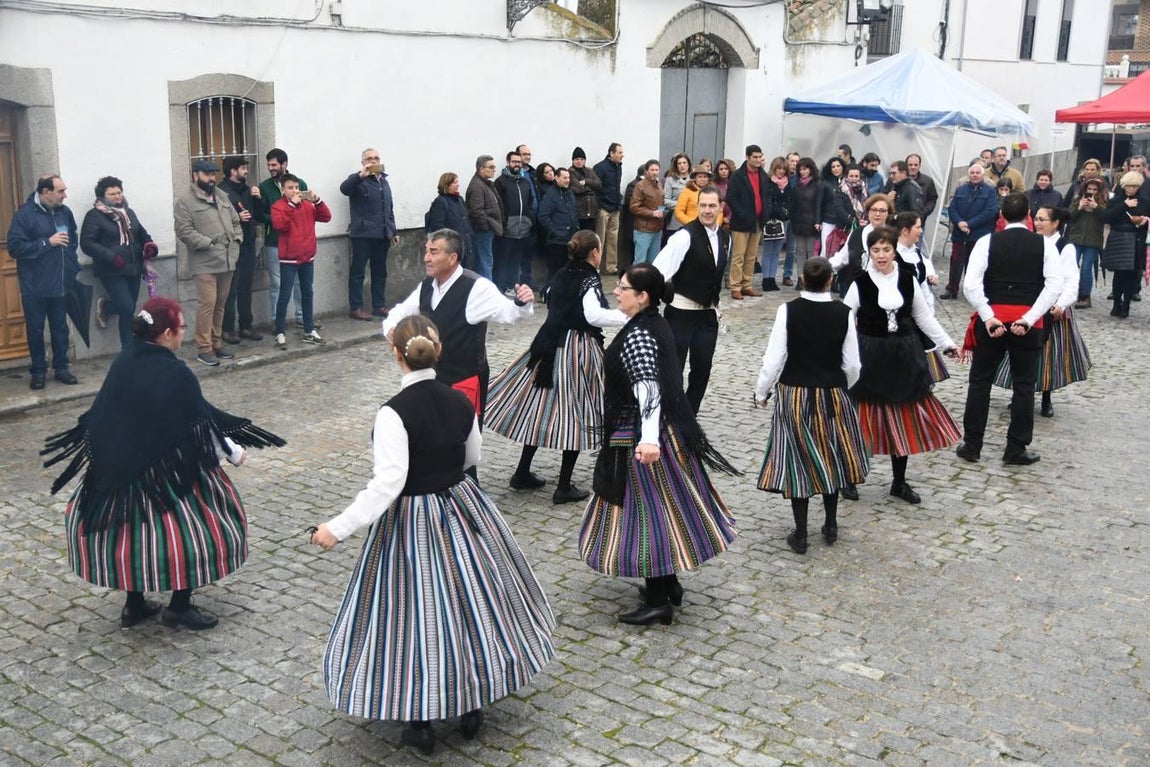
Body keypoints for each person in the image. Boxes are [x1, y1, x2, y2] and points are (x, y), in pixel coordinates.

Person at [309, 315, 554, 756]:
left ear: (395, 353)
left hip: (412, 521)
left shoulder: (393, 413)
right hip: (459, 507)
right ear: (438, 352)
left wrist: (336, 527)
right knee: (470, 604)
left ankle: (420, 723)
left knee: (413, 612)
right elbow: (471, 456)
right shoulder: (461, 401)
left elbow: (388, 482)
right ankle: (472, 703)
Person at [44, 296, 284, 631]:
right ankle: (179, 607)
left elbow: (104, 414)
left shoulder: (125, 359)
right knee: (190, 533)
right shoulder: (175, 372)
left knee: (131, 534)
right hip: (166, 470)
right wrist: (233, 453)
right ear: (168, 333)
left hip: (121, 467)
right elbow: (201, 420)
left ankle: (135, 603)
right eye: (182, 326)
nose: (184, 332)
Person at [579, 264, 738, 626]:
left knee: (646, 513)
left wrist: (648, 441)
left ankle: (657, 601)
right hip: (661, 431)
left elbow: (647, 386)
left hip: (644, 436)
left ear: (643, 296)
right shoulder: (652, 323)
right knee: (663, 507)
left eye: (622, 288)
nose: (616, 292)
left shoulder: (639, 335)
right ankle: (668, 584)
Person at [486, 230, 626, 503]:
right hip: (575, 349)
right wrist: (626, 316)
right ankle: (563, 486)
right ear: (595, 253)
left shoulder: (561, 273)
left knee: (540, 409)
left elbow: (549, 297)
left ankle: (522, 472)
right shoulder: (588, 278)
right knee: (575, 411)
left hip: (547, 344)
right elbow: (593, 314)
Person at [754, 257, 867, 553]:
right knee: (832, 456)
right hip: (832, 392)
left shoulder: (787, 310)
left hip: (795, 391)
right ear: (830, 280)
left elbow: (774, 358)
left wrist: (761, 392)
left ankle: (801, 534)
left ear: (803, 278)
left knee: (797, 460)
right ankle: (830, 524)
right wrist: (844, 387)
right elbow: (852, 363)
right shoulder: (843, 312)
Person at [844, 226, 961, 504]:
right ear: (869, 252)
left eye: (886, 249)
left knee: (902, 418)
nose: (881, 255)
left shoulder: (907, 279)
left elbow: (924, 317)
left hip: (904, 356)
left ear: (894, 250)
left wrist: (947, 343)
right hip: (871, 356)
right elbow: (844, 320)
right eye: (875, 250)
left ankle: (898, 482)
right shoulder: (859, 283)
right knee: (864, 418)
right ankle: (849, 477)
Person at [382, 228, 534, 424]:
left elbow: (509, 312)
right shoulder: (427, 285)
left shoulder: (477, 288)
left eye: (434, 252)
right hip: (431, 378)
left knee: (463, 440)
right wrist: (391, 328)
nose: (426, 258)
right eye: (426, 251)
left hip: (464, 380)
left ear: (452, 258)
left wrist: (522, 303)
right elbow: (400, 311)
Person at [957, 192, 1062, 465]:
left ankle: (972, 445)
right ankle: (1015, 448)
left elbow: (970, 284)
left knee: (980, 382)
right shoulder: (1045, 246)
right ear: (1028, 214)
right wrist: (1029, 318)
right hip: (1027, 321)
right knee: (1024, 385)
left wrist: (988, 315)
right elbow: (1054, 287)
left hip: (993, 319)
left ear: (1001, 215)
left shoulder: (986, 242)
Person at [991, 206, 1090, 418]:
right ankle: (1019, 393)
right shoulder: (1032, 243)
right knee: (1019, 350)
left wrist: (1061, 304)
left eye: (1042, 219)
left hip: (1053, 309)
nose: (1037, 223)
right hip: (1029, 304)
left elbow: (1071, 280)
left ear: (1055, 223)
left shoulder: (1065, 247)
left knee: (1048, 355)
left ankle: (1046, 397)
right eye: (1036, 219)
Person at [654, 187, 730, 414]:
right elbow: (659, 271)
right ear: (697, 206)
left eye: (712, 206)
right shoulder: (684, 236)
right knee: (673, 369)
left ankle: (689, 414)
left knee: (702, 368)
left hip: (708, 314)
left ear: (721, 207)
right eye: (703, 205)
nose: (707, 211)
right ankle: (670, 414)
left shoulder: (725, 238)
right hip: (681, 313)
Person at [7, 174, 80, 389]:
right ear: (45, 192)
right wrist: (47, 243)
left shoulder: (64, 212)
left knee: (60, 328)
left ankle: (61, 367)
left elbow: (72, 238)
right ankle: (38, 371)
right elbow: (15, 247)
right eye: (60, 191)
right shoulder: (25, 214)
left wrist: (72, 263)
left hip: (60, 282)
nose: (65, 195)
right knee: (36, 330)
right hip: (35, 285)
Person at [173, 159, 242, 367]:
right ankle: (204, 348)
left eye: (213, 175)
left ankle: (216, 342)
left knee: (221, 303)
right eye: (207, 174)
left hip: (227, 258)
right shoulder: (185, 201)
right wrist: (209, 243)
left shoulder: (222, 196)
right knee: (207, 304)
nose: (212, 179)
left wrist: (237, 239)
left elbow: (236, 220)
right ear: (196, 176)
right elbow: (184, 231)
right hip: (204, 261)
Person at [80, 176, 158, 350]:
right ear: (102, 196)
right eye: (112, 194)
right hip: (111, 269)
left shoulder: (128, 212)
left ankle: (128, 348)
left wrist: (149, 245)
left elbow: (141, 233)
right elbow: (87, 243)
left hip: (134, 267)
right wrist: (111, 256)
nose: (117, 197)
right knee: (126, 305)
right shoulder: (94, 216)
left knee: (128, 310)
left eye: (119, 192)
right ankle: (107, 306)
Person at [270, 174, 331, 350]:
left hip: (307, 255)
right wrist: (291, 205)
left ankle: (309, 330)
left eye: (296, 187)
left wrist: (318, 201)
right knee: (285, 294)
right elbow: (280, 225)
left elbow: (326, 217)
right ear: (283, 190)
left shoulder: (307, 205)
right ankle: (280, 331)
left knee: (307, 293)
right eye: (290, 188)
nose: (295, 191)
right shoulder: (278, 206)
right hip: (289, 257)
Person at [340, 148, 398, 321]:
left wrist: (393, 230)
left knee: (380, 271)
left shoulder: (384, 181)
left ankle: (379, 305)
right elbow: (344, 189)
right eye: (369, 158)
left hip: (382, 233)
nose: (373, 161)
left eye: (376, 158)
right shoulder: (357, 180)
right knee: (358, 272)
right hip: (363, 234)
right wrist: (360, 175)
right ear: (363, 162)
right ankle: (355, 307)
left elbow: (389, 208)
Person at [217, 157, 264, 344]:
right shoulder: (221, 192)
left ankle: (246, 326)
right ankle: (227, 329)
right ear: (232, 171)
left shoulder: (248, 190)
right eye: (243, 168)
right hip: (231, 246)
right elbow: (217, 219)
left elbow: (260, 216)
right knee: (229, 290)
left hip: (248, 245)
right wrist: (236, 217)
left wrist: (258, 199)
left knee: (246, 287)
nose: (246, 171)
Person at [260, 148, 307, 329]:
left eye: (274, 165)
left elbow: (307, 210)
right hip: (274, 241)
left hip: (296, 241)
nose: (270, 168)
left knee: (299, 282)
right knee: (277, 283)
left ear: (284, 164)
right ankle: (276, 320)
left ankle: (302, 317)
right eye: (269, 165)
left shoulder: (299, 184)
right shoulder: (264, 187)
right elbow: (260, 214)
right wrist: (275, 220)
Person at [942, 163, 998, 300]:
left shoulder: (990, 191)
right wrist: (960, 223)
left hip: (978, 233)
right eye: (972, 173)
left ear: (983, 175)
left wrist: (969, 224)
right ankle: (952, 289)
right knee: (955, 262)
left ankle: (972, 292)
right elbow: (952, 208)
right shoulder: (960, 189)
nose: (974, 175)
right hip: (959, 233)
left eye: (977, 173)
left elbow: (989, 212)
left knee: (974, 264)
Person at [1102, 171, 1149, 318]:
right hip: (1118, 238)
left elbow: (1147, 219)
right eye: (1128, 186)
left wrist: (1144, 221)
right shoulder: (1116, 200)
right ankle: (1117, 302)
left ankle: (1126, 304)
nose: (1130, 189)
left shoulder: (1145, 202)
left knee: (1132, 275)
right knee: (1118, 274)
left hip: (1136, 239)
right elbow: (1106, 217)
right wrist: (1124, 205)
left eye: (1133, 186)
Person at [726, 145, 771, 299]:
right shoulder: (738, 176)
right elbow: (731, 197)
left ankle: (747, 284)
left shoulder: (763, 176)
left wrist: (766, 213)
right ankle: (736, 286)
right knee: (738, 255)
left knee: (751, 256)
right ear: (747, 157)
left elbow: (766, 196)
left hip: (758, 221)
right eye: (755, 157)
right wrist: (742, 214)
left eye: (760, 157)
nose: (758, 160)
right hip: (742, 222)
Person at [829, 192, 892, 298]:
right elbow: (844, 256)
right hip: (857, 287)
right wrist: (824, 267)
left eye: (882, 211)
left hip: (884, 288)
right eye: (874, 210)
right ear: (868, 212)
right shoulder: (857, 233)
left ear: (888, 213)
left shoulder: (893, 236)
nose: (877, 214)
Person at [494, 150, 536, 293]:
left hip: (523, 230)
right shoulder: (500, 182)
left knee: (516, 261)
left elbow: (531, 202)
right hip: (507, 231)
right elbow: (497, 206)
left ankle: (512, 286)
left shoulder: (524, 182)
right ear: (508, 162)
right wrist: (504, 223)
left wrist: (529, 220)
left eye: (519, 162)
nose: (517, 164)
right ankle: (500, 288)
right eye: (514, 162)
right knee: (503, 260)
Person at [1065, 176, 1107, 308]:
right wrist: (1079, 207)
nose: (1092, 192)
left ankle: (1084, 296)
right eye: (1089, 189)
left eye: (1095, 189)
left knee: (1086, 268)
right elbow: (1069, 217)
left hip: (1093, 240)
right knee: (1071, 266)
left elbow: (1107, 218)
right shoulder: (1078, 199)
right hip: (1076, 237)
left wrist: (1096, 207)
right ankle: (1068, 292)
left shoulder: (1104, 201)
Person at [537, 166, 580, 283]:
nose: (568, 180)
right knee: (554, 271)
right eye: (565, 178)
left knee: (567, 271)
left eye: (569, 178)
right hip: (557, 241)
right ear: (556, 178)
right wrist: (555, 232)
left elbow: (573, 212)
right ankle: (548, 294)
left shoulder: (569, 193)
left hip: (570, 238)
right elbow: (543, 216)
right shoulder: (550, 195)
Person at [425, 172, 475, 270]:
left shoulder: (459, 199)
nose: (458, 185)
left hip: (465, 245)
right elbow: (438, 227)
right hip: (452, 247)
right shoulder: (441, 202)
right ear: (447, 185)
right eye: (455, 182)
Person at [465, 154, 503, 281]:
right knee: (485, 263)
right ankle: (486, 292)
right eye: (491, 167)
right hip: (482, 231)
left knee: (487, 261)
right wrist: (486, 226)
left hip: (488, 229)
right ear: (481, 169)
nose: (494, 169)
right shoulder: (477, 186)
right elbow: (477, 211)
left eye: (494, 167)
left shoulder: (485, 184)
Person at [759, 156, 794, 293]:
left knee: (777, 251)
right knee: (768, 251)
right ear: (774, 168)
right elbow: (766, 201)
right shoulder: (768, 182)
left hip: (782, 221)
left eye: (783, 169)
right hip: (769, 219)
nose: (780, 172)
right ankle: (765, 279)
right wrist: (776, 211)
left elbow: (790, 201)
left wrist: (786, 212)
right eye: (779, 169)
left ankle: (772, 278)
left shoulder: (788, 183)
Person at [788, 157, 822, 283]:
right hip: (799, 222)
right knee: (800, 252)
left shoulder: (817, 184)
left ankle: (811, 278)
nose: (802, 172)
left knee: (811, 251)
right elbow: (793, 203)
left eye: (805, 169)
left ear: (811, 169)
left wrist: (818, 221)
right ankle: (800, 278)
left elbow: (818, 204)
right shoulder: (797, 184)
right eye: (800, 169)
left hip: (812, 222)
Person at [594, 142, 625, 275]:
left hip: (615, 208)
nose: (622, 155)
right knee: (599, 239)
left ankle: (611, 267)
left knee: (613, 239)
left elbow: (616, 187)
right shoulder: (600, 167)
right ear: (611, 153)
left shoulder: (619, 167)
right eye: (619, 152)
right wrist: (600, 205)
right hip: (604, 209)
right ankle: (596, 267)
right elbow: (596, 188)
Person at [629, 159, 665, 265]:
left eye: (656, 170)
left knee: (654, 262)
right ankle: (632, 281)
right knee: (640, 262)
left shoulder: (660, 185)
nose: (654, 172)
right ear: (646, 171)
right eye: (652, 170)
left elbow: (660, 203)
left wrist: (663, 211)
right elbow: (633, 207)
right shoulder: (640, 186)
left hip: (657, 229)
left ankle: (650, 281)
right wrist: (652, 213)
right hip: (643, 230)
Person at [569, 146, 601, 232]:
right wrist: (591, 189)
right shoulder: (571, 172)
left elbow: (599, 184)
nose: (579, 161)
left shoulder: (589, 171)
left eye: (581, 159)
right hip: (579, 213)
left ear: (585, 160)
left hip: (591, 212)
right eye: (577, 159)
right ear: (573, 160)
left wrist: (586, 181)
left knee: (590, 236)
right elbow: (579, 189)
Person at [662, 152, 692, 244]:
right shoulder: (670, 180)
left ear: (688, 164)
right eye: (679, 163)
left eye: (684, 163)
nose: (682, 165)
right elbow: (665, 200)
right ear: (676, 165)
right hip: (675, 220)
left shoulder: (694, 179)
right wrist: (682, 205)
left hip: (691, 218)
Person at [713, 158, 735, 225]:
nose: (724, 171)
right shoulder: (713, 184)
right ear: (717, 171)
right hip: (716, 219)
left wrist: (729, 217)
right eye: (721, 169)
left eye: (726, 169)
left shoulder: (735, 184)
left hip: (732, 220)